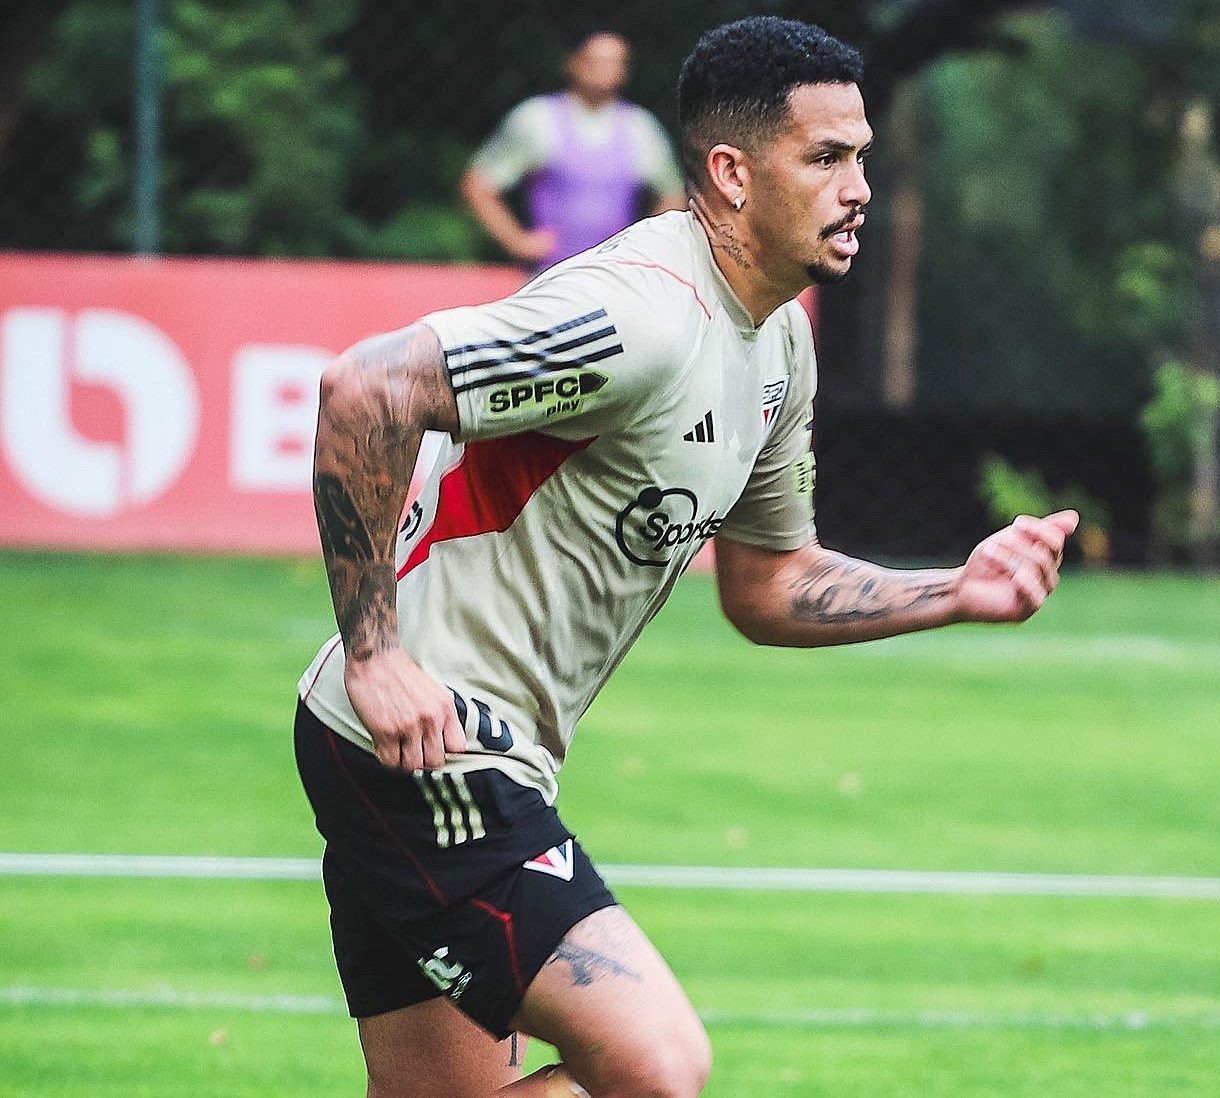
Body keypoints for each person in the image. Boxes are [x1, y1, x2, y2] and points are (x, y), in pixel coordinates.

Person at [296, 15, 1078, 1097]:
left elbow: (769, 585)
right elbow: (367, 388)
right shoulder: (641, 315)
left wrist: (956, 589)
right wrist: (378, 654)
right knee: (656, 1067)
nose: (858, 187)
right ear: (730, 172)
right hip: (432, 746)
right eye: (824, 158)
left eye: (862, 157)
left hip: (446, 750)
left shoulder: (779, 340)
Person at [461, 26, 686, 272]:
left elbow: (673, 194)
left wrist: (645, 247)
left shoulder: (641, 128)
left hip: (615, 274)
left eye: (615, 62)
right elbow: (478, 185)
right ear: (573, 63)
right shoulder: (537, 119)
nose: (605, 70)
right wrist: (516, 240)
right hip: (549, 273)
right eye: (596, 61)